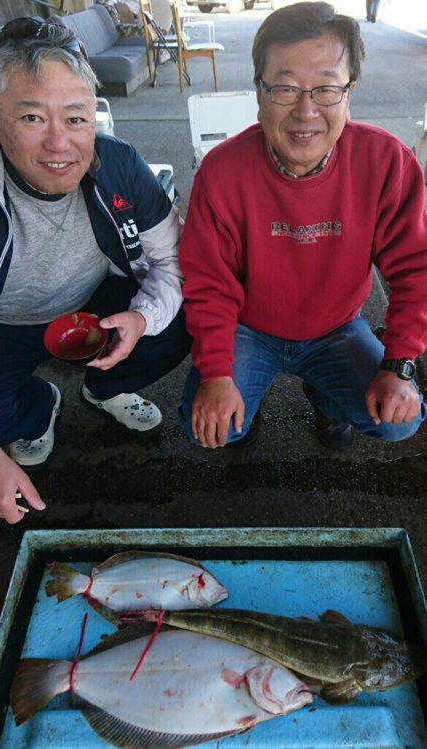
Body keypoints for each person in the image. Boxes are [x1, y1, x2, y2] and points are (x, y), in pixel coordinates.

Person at [179, 1, 427, 451]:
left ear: (349, 91)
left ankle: (329, 401)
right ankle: (245, 407)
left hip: (337, 328)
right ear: (259, 93)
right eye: (286, 89)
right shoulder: (221, 171)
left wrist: (400, 364)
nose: (307, 111)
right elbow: (207, 283)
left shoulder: (387, 161)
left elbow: (416, 270)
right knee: (210, 427)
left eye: (327, 89)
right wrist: (216, 374)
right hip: (247, 328)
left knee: (399, 423)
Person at [0, 17, 190, 523]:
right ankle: (37, 404)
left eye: (76, 119)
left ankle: (103, 387)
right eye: (32, 118)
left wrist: (140, 319)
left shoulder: (120, 164)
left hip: (88, 309)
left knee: (185, 317)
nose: (59, 144)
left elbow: (172, 260)